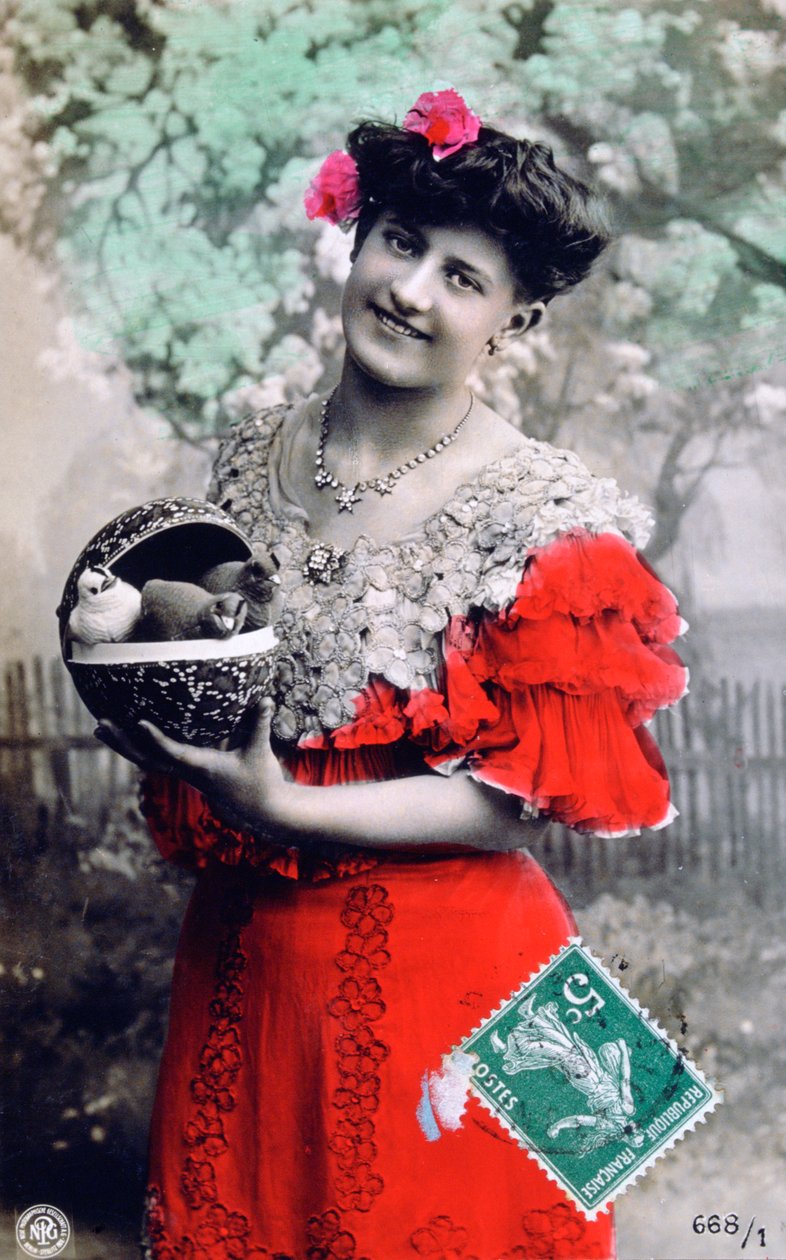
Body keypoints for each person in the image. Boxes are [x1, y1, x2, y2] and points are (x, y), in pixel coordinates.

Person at [97, 90, 687, 1260]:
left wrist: (284, 806)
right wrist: (134, 663)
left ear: (513, 321)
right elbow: (223, 674)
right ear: (358, 241)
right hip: (249, 965)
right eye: (401, 243)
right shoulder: (251, 454)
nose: (413, 291)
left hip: (465, 988)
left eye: (463, 278)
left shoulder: (552, 518)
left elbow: (519, 806)